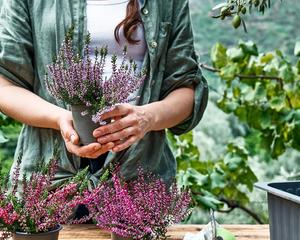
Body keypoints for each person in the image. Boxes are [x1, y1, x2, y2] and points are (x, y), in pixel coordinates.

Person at [0, 0, 208, 189]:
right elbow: (5, 85)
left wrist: (147, 118)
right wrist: (61, 119)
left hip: (138, 174)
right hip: (49, 176)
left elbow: (186, 89)